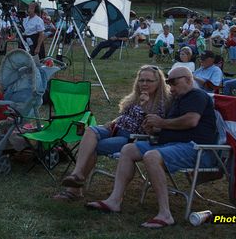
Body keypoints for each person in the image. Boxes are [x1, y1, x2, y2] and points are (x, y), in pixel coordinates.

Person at [85, 67, 217, 229]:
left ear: (188, 80)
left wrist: (161, 123)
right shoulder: (177, 101)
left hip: (195, 148)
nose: (171, 86)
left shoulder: (196, 95)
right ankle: (114, 200)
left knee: (151, 156)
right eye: (168, 82)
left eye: (173, 82)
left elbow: (191, 121)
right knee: (128, 150)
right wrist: (154, 129)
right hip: (171, 144)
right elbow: (171, 126)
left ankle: (165, 214)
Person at [53, 65, 170, 201]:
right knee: (91, 130)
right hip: (115, 128)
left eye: (149, 81)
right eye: (141, 80)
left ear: (159, 82)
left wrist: (145, 106)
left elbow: (152, 127)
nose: (144, 84)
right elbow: (127, 115)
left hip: (132, 138)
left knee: (93, 147)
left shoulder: (162, 103)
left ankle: (73, 191)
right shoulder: (137, 96)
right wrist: (114, 121)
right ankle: (77, 174)